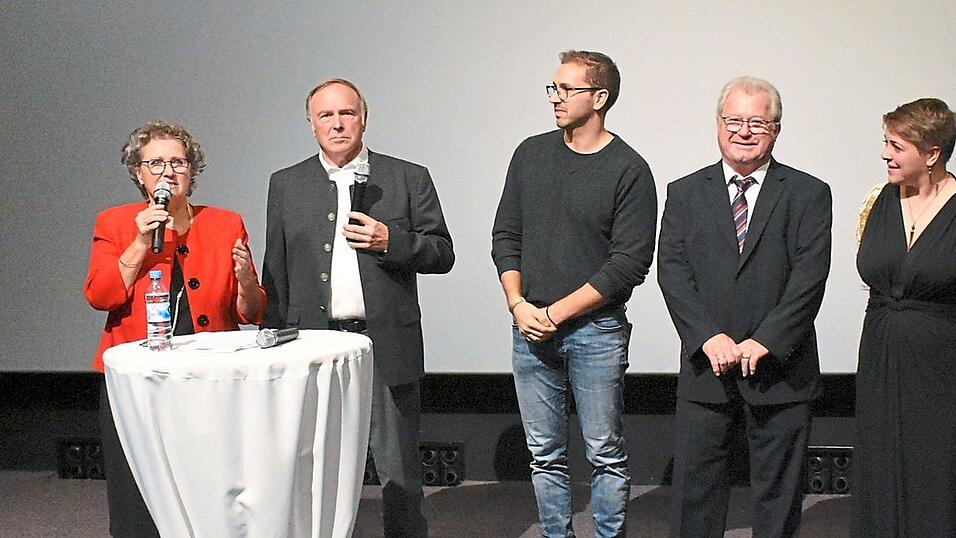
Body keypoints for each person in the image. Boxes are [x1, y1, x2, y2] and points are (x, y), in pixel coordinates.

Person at [261, 78, 454, 537]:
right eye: (325, 115)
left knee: (400, 473)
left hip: (385, 343)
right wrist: (272, 341)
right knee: (313, 469)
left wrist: (395, 242)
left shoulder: (409, 176)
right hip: (314, 345)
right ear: (310, 125)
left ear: (364, 117)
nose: (337, 123)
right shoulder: (286, 184)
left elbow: (442, 254)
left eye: (346, 113)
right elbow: (277, 271)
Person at [491, 50, 657, 537]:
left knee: (604, 450)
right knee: (544, 453)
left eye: (567, 90)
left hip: (595, 331)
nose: (556, 98)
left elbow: (627, 265)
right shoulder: (530, 153)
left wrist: (555, 313)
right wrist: (519, 304)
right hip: (529, 326)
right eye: (554, 88)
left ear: (600, 97)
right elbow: (506, 236)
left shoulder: (629, 169)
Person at [657, 76, 831, 537]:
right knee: (696, 495)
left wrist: (766, 341)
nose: (744, 131)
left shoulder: (810, 193)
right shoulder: (684, 191)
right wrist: (707, 336)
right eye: (734, 120)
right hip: (704, 368)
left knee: (778, 497)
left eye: (757, 122)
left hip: (780, 372)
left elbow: (809, 279)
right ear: (718, 124)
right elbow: (672, 272)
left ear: (776, 129)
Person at [84, 121, 266, 537]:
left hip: (207, 378)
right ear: (138, 172)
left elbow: (251, 312)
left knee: (205, 482)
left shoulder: (225, 223)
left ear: (192, 170)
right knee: (137, 488)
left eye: (178, 162)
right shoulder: (113, 223)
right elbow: (100, 296)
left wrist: (246, 283)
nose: (168, 171)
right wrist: (139, 241)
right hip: (136, 379)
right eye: (156, 163)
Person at [853, 98, 956, 537]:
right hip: (880, 351)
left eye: (897, 146)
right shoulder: (877, 201)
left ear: (931, 153)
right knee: (879, 458)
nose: (885, 154)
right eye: (885, 143)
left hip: (940, 361)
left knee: (933, 462)